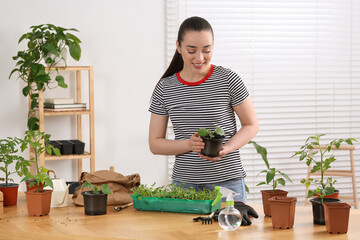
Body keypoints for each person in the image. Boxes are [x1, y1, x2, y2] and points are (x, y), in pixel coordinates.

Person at [148, 16, 258, 203]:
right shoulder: (165, 88)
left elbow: (251, 125)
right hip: (185, 185)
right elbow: (155, 144)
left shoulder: (229, 79)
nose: (200, 58)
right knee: (183, 234)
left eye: (207, 50)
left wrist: (227, 147)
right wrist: (189, 145)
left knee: (229, 230)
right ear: (178, 47)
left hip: (227, 182)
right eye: (192, 50)